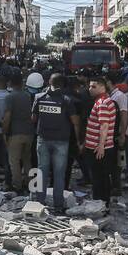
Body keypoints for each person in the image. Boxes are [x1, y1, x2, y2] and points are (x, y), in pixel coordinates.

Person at [31, 74, 80, 215]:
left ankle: (39, 202)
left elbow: (33, 119)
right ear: (63, 85)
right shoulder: (66, 100)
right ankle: (58, 206)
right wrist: (78, 140)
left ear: (48, 82)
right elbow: (75, 122)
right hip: (61, 141)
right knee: (59, 174)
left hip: (43, 140)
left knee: (41, 172)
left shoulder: (39, 98)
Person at [82, 77, 118, 206]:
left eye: (93, 87)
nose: (90, 89)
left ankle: (100, 204)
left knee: (99, 178)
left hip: (99, 148)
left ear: (102, 87)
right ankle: (102, 204)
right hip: (102, 146)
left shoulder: (102, 103)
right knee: (102, 177)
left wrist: (101, 146)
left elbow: (104, 125)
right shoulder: (105, 101)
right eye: (90, 86)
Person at [3, 73, 36, 193]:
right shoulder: (28, 96)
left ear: (10, 83)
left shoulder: (10, 97)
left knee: (14, 161)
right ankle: (30, 184)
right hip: (29, 132)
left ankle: (17, 185)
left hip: (15, 133)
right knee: (27, 159)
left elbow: (7, 117)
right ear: (22, 83)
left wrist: (4, 133)